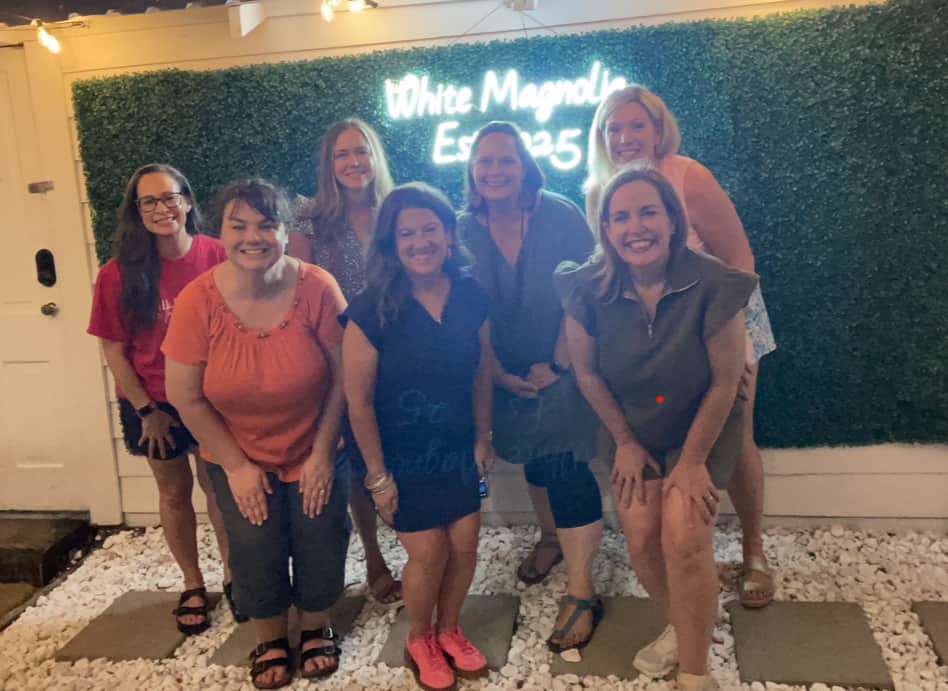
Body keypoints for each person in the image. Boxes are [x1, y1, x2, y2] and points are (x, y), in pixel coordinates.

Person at [558, 164, 757, 690]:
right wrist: (624, 441)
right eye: (620, 217)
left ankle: (695, 672)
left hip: (702, 425)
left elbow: (724, 381)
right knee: (643, 534)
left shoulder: (716, 283)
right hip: (633, 428)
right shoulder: (584, 285)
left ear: (671, 219)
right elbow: (586, 370)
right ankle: (685, 621)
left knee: (686, 535)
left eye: (648, 211)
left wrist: (691, 463)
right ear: (606, 230)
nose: (635, 227)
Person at [585, 85, 778, 610]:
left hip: (724, 325)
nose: (625, 138)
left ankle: (754, 551)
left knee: (734, 440)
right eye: (613, 129)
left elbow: (741, 263)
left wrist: (736, 347)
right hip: (656, 341)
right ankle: (691, 554)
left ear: (658, 128)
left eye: (635, 126)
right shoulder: (598, 191)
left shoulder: (688, 176)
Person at [163, 179, 349, 690]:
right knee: (253, 544)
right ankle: (269, 637)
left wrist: (322, 454)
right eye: (238, 225)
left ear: (286, 231)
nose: (254, 236)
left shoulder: (317, 287)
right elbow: (186, 395)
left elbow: (343, 379)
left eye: (267, 224)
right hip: (237, 451)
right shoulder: (196, 301)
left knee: (320, 537)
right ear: (219, 231)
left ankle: (315, 627)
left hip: (315, 443)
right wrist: (238, 467)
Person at [457, 121, 603, 652]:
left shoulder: (560, 215)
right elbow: (464, 309)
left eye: (506, 160)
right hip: (496, 371)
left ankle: (583, 592)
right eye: (485, 160)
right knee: (535, 462)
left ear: (525, 167)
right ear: (473, 170)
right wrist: (494, 370)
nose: (495, 170)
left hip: (565, 361)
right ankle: (551, 539)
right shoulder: (460, 229)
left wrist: (559, 365)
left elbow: (586, 292)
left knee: (564, 463)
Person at [343, 183, 495, 691]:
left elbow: (482, 372)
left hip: (457, 448)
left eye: (430, 228)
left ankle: (451, 629)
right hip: (400, 458)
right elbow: (358, 402)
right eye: (406, 233)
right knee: (429, 552)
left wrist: (483, 438)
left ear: (449, 235)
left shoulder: (472, 293)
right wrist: (378, 478)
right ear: (391, 244)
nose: (420, 240)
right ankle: (421, 637)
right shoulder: (370, 310)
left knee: (466, 545)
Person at [87, 163, 240, 635]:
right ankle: (193, 584)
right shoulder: (117, 276)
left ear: (188, 201)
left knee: (220, 490)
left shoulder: (219, 255)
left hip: (213, 397)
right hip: (154, 402)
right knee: (174, 493)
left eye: (169, 197)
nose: (161, 208)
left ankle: (237, 579)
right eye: (148, 201)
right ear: (137, 212)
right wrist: (146, 410)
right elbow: (113, 347)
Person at [287, 118, 403, 608]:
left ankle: (422, 548)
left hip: (402, 351)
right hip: (340, 357)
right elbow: (297, 295)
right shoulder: (309, 220)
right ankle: (375, 560)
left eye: (362, 151)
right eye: (342, 155)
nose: (354, 162)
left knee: (404, 451)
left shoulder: (398, 211)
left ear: (375, 157)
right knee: (357, 463)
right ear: (329, 165)